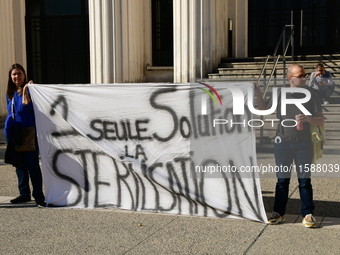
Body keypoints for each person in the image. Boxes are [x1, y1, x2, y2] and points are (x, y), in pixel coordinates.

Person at [255, 64, 324, 228]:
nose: (304, 78)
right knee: (282, 181)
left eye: (305, 75)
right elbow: (264, 109)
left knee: (304, 181)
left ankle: (307, 214)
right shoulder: (280, 93)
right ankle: (278, 213)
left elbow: (320, 120)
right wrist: (257, 92)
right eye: (300, 75)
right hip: (283, 143)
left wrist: (308, 119)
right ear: (290, 78)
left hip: (303, 143)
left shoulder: (312, 94)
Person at [4, 63, 46, 207]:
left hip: (29, 132)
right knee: (19, 165)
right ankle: (24, 193)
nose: (17, 77)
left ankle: (39, 197)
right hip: (13, 132)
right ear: (11, 77)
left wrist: (27, 90)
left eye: (19, 73)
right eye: (14, 74)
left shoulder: (30, 90)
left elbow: (27, 107)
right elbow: (10, 113)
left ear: (24, 75)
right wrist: (7, 132)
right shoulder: (10, 93)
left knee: (32, 165)